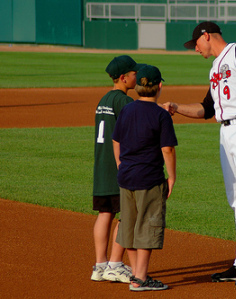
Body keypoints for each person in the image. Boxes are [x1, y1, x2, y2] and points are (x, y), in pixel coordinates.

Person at [165, 21, 236, 288]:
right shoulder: (215, 67)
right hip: (226, 132)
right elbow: (206, 109)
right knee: (235, 199)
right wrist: (175, 107)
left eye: (195, 44)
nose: (195, 49)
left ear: (206, 36)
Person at [112, 64, 177, 291]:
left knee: (128, 226)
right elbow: (167, 149)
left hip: (126, 177)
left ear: (138, 85)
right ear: (159, 86)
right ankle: (140, 278)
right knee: (147, 226)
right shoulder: (161, 115)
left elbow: (116, 140)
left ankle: (136, 275)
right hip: (149, 178)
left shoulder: (127, 109)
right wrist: (172, 176)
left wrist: (120, 164)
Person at [91, 55, 143, 283]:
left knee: (105, 214)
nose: (137, 76)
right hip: (119, 169)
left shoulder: (104, 99)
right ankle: (114, 263)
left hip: (102, 168)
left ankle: (100, 265)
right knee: (127, 215)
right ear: (123, 78)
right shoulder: (123, 102)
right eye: (133, 74)